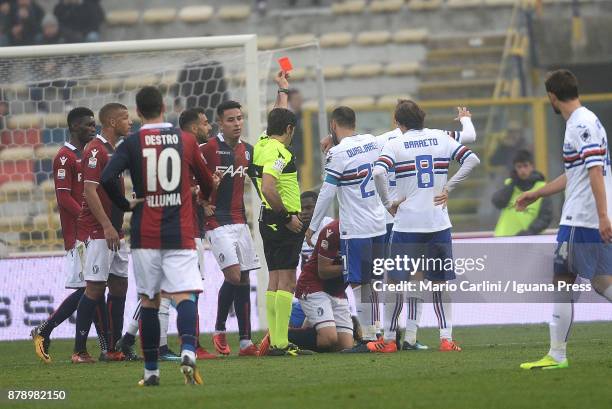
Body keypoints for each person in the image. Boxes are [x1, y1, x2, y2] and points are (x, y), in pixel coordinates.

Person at [100, 86, 217, 386]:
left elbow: (106, 177)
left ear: (138, 112)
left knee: (150, 302)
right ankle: (189, 349)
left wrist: (125, 204)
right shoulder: (186, 140)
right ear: (164, 106)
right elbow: (207, 181)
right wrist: (202, 196)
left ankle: (151, 372)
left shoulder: (132, 142)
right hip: (179, 232)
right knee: (184, 294)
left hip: (145, 234)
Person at [517, 69, 612, 370]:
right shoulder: (589, 120)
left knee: (562, 282)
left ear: (552, 97)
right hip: (586, 218)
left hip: (580, 220)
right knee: (601, 282)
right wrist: (538, 193)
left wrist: (602, 216)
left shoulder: (579, 124)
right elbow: (576, 175)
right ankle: (556, 354)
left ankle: (557, 355)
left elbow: (595, 171)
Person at [372, 99, 480, 353]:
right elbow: (472, 159)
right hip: (438, 223)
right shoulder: (441, 136)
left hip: (407, 225)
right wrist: (448, 188)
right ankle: (446, 338)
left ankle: (388, 341)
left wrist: (389, 203)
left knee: (397, 283)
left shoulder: (394, 143)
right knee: (439, 284)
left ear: (398, 123)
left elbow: (378, 173)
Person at [306, 106, 387, 353]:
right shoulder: (373, 142)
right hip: (379, 223)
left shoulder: (338, 154)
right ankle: (377, 332)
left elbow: (327, 191)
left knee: (359, 283)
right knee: (373, 282)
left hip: (356, 227)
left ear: (333, 124)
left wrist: (312, 226)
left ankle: (368, 340)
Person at [30, 107, 95, 363]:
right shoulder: (65, 157)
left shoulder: (88, 154)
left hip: (92, 230)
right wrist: (86, 216)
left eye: (94, 124)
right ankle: (46, 329)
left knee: (96, 287)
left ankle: (102, 346)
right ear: (75, 126)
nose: (93, 128)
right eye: (88, 125)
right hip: (79, 233)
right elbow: (63, 196)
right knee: (91, 287)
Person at [253, 72, 310, 357]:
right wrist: (288, 217)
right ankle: (280, 342)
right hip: (281, 218)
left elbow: (277, 115)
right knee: (287, 280)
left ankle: (276, 342)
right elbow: (268, 186)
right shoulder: (280, 153)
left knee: (275, 279)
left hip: (265, 219)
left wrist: (282, 90)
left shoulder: (262, 143)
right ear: (289, 129)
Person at [200, 100, 261, 357]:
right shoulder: (208, 149)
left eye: (239, 118)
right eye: (231, 120)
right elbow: (189, 179)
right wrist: (203, 202)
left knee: (245, 277)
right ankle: (219, 328)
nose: (237, 123)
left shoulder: (248, 151)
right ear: (220, 124)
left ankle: (246, 342)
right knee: (234, 276)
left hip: (239, 220)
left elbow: (260, 181)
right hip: (216, 222)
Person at [72, 103, 132, 363]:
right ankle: (79, 350)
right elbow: (89, 191)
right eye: (125, 118)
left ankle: (113, 347)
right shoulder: (96, 150)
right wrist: (106, 225)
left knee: (119, 286)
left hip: (115, 231)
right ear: (111, 122)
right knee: (95, 289)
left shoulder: (113, 149)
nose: (129, 122)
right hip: (99, 231)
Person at [179, 107, 217, 360]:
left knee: (159, 293)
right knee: (189, 289)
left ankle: (144, 342)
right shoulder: (190, 148)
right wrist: (209, 186)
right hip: (187, 230)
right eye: (205, 124)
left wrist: (201, 201)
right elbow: (200, 186)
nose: (209, 128)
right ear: (194, 128)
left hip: (173, 229)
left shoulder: (170, 149)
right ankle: (194, 346)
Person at [290, 219, 354, 352]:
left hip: (337, 291)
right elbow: (323, 271)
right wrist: (352, 266)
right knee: (328, 339)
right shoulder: (332, 230)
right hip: (313, 286)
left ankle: (312, 331)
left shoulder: (370, 230)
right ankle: (278, 337)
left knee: (345, 346)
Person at [492, 149, 552, 237]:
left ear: (532, 166)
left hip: (528, 239)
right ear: (515, 168)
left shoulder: (542, 188)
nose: (522, 170)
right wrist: (513, 183)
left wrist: (530, 231)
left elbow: (545, 217)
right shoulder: (510, 184)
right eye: (519, 167)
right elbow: (498, 202)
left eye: (525, 166)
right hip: (503, 237)